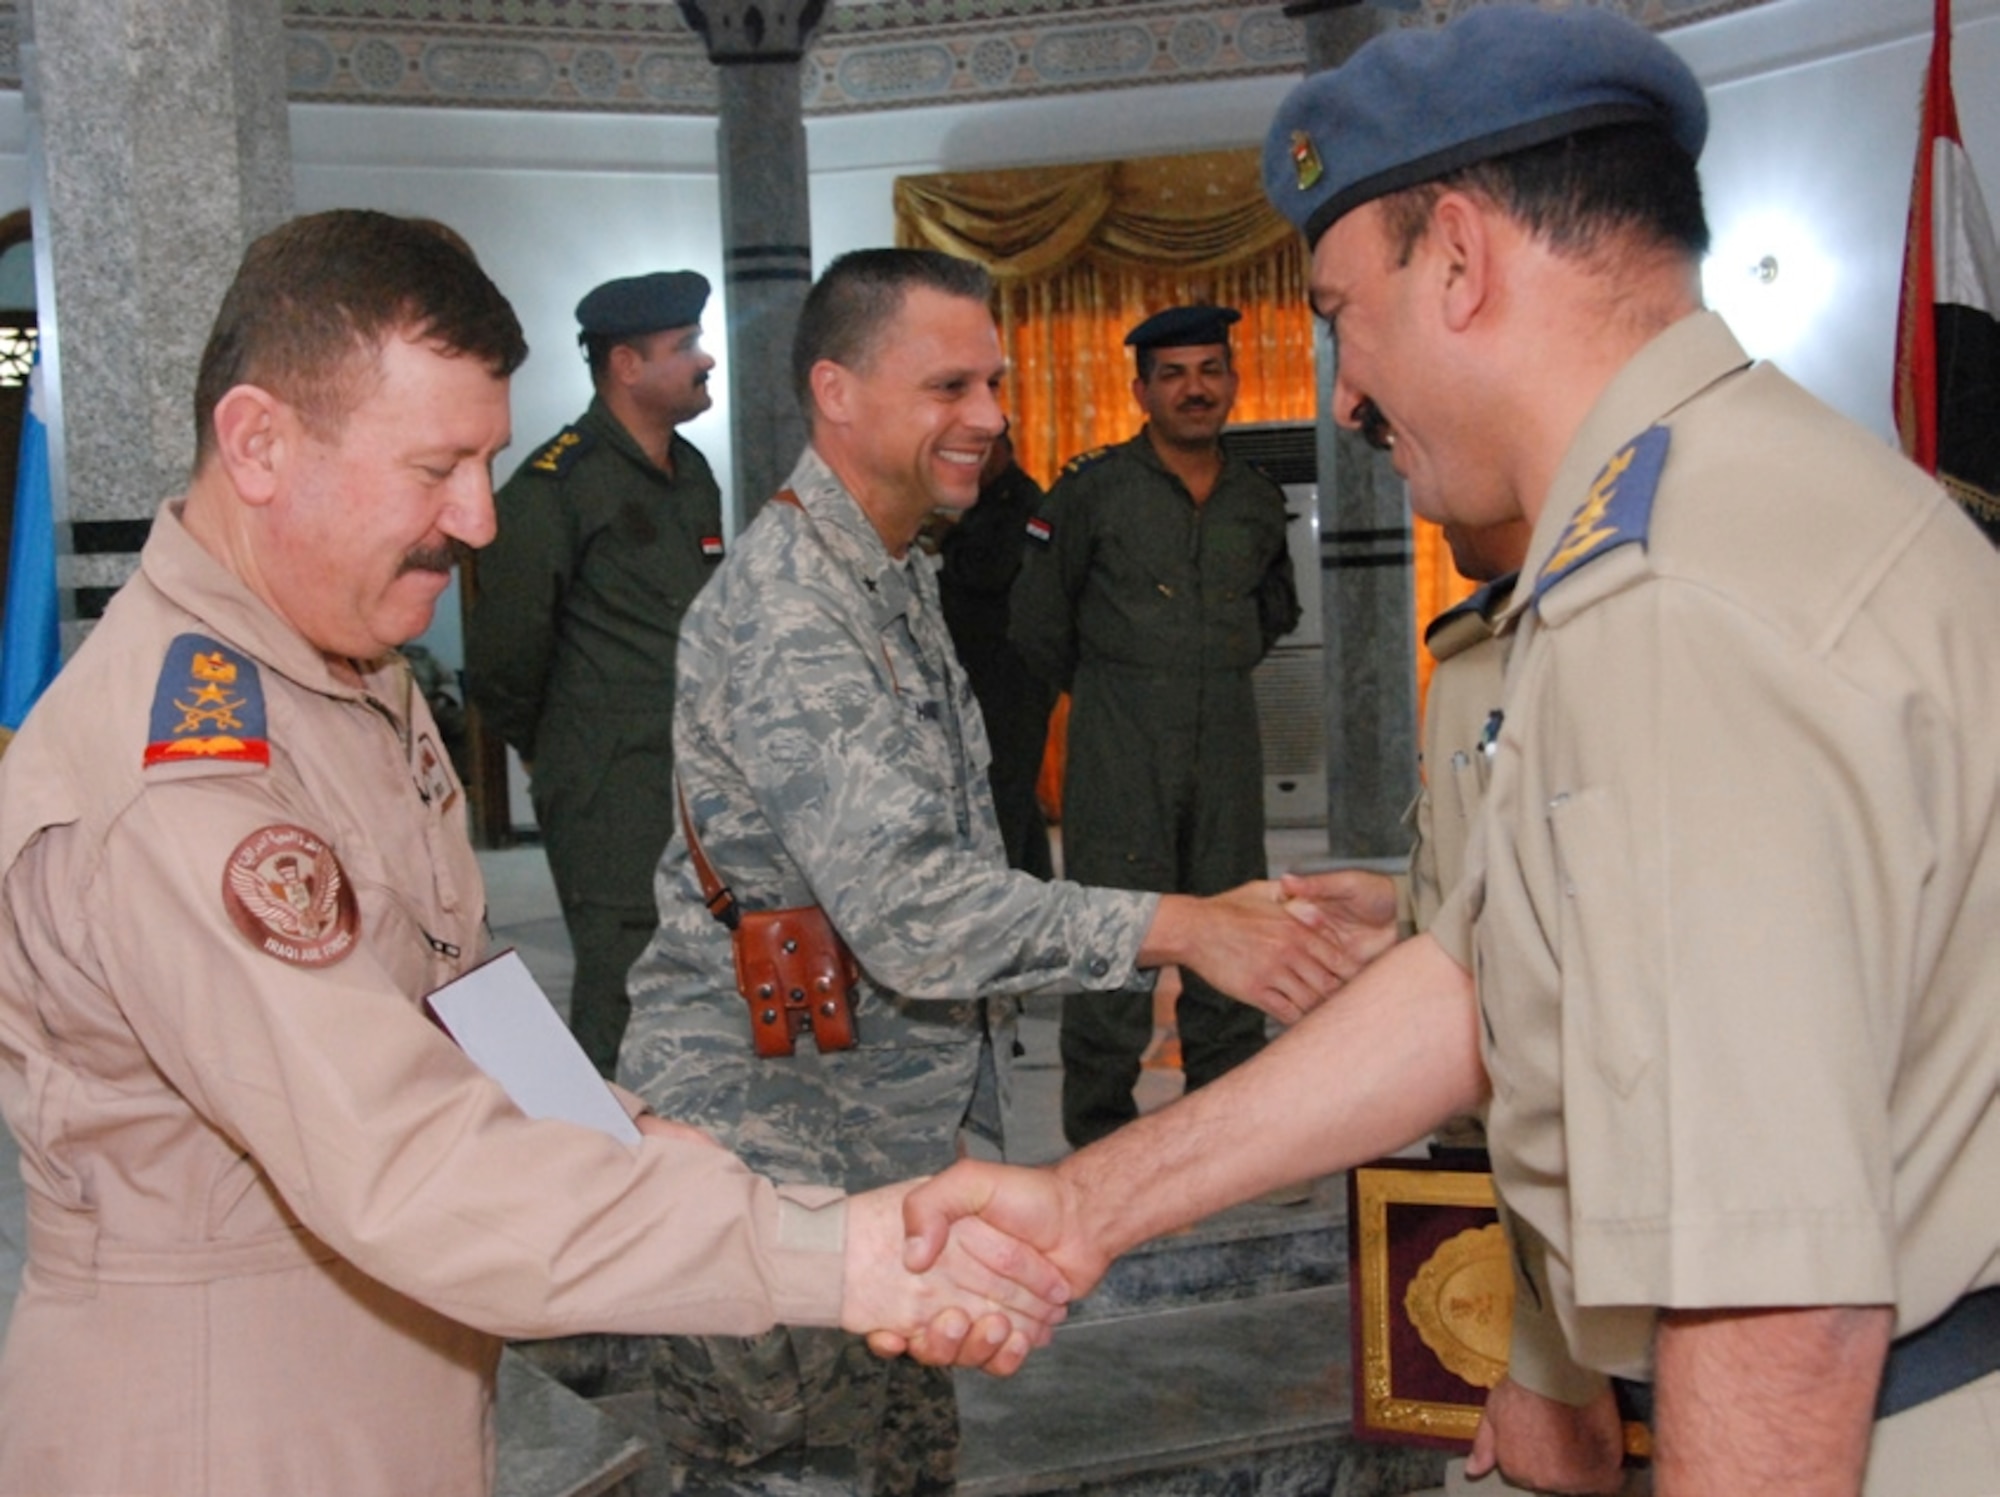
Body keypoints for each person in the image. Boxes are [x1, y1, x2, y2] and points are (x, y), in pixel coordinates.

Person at [901, 9, 2000, 1494]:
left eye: (1342, 313)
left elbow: (1772, 1308)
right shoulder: (1709, 511)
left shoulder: (1676, 604)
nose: (1344, 395)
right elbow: (1480, 981)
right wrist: (1090, 1201)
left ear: (1461, 261)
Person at [0, 211, 1073, 1497]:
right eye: (434, 468)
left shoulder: (343, 677)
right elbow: (408, 1159)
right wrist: (835, 1256)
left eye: (486, 464)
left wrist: (649, 1151)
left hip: (388, 1383)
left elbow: (466, 1014)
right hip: (222, 1421)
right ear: (259, 443)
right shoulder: (187, 777)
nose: (476, 520)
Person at [620, 249, 1348, 1494]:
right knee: (791, 1471)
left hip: (882, 1133)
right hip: (775, 1150)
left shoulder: (891, 570)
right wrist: (1179, 926)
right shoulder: (794, 607)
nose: (989, 417)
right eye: (948, 386)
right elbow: (913, 910)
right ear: (836, 391)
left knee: (903, 1466)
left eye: (995, 384)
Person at [1009, 304, 1300, 1147]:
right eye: (1172, 375)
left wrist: (1205, 667)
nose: (1193, 389)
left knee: (1234, 924)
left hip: (1226, 741)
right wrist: (1114, 687)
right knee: (1115, 936)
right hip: (1119, 743)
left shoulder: (1255, 497)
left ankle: (1227, 1133)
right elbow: (1036, 621)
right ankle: (1100, 1139)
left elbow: (1274, 608)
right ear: (1141, 392)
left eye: (1209, 370)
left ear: (1233, 382)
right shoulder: (1093, 491)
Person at [466, 269, 724, 1074]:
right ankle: (605, 1142)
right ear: (626, 365)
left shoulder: (691, 475)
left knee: (705, 983)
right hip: (610, 790)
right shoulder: (557, 489)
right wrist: (556, 750)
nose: (706, 359)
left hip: (701, 781)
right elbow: (505, 656)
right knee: (624, 987)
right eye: (685, 345)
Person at [932, 422, 1056, 877]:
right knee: (1013, 794)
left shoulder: (1020, 502)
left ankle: (1009, 885)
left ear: (1004, 450)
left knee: (1005, 791)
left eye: (983, 450)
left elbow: (990, 571)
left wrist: (946, 545)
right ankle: (1033, 881)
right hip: (985, 670)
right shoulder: (984, 502)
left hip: (1011, 674)